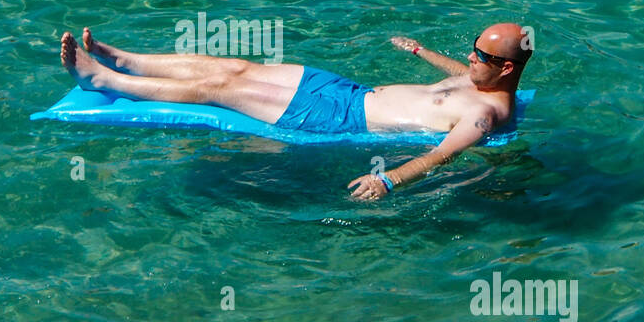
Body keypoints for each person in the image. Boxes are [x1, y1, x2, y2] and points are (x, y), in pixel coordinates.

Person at [59, 24, 532, 200]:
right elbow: (457, 75)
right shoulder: (479, 77)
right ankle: (125, 59)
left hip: (335, 118)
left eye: (479, 56)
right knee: (237, 66)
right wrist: (422, 52)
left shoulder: (483, 118)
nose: (469, 60)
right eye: (472, 50)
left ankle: (103, 80)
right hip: (343, 89)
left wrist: (386, 180)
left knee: (218, 89)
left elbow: (441, 157)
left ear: (505, 68)